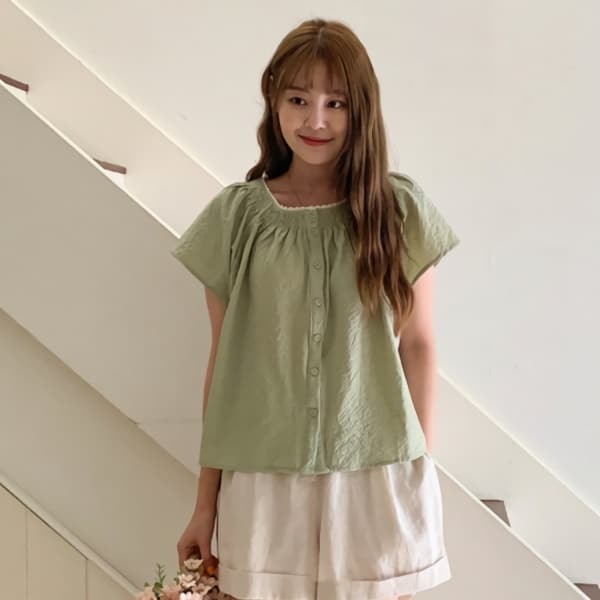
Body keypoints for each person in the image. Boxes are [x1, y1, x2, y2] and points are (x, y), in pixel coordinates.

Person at [172, 17, 460, 600]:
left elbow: (419, 345)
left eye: (336, 103)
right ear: (274, 102)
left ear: (361, 110)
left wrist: (421, 475)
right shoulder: (236, 219)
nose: (316, 120)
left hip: (375, 474)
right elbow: (223, 364)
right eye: (298, 99)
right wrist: (205, 502)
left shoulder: (397, 210)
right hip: (262, 475)